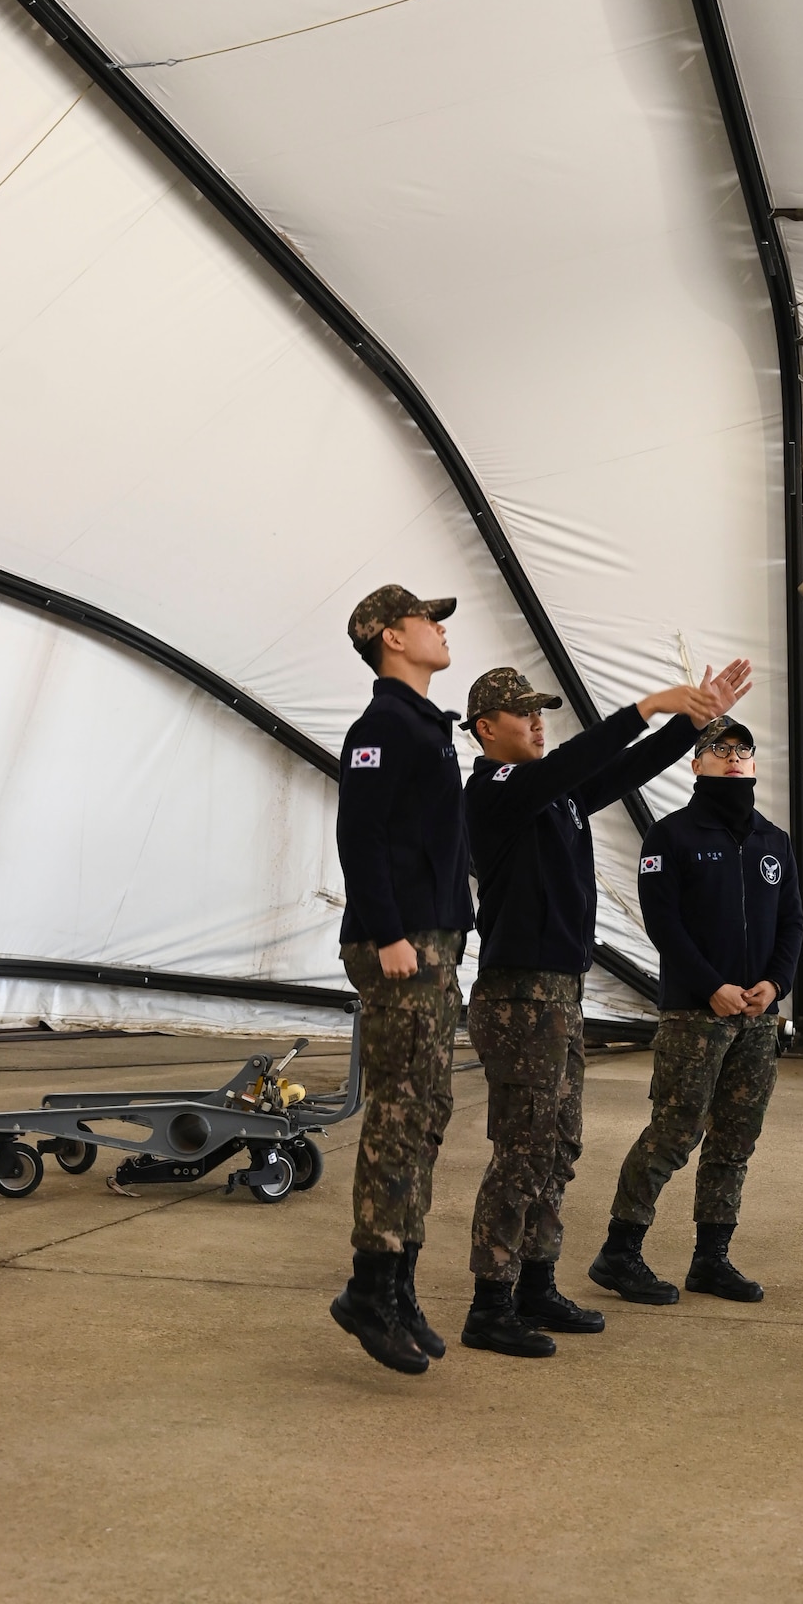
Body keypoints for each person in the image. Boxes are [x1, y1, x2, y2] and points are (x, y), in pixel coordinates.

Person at [460, 659, 752, 1358]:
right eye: (522, 713)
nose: (537, 722)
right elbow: (577, 761)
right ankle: (489, 1304)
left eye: (541, 711)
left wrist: (693, 723)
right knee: (522, 1151)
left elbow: (621, 771)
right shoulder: (495, 790)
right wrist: (646, 707)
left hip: (559, 993)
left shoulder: (551, 794)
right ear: (485, 729)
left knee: (557, 1147)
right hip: (519, 996)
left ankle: (536, 1283)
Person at [588, 715, 803, 1307]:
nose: (733, 758)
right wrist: (710, 986)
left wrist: (775, 983)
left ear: (754, 764)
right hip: (694, 1014)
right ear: (697, 763)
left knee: (735, 1138)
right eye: (720, 749)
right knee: (674, 1132)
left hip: (756, 1018)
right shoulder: (671, 837)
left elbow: (791, 921)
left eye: (743, 750)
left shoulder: (774, 841)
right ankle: (619, 1251)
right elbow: (663, 924)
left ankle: (712, 1259)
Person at [328, 584, 473, 1377]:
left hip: (430, 941)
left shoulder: (424, 726)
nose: (441, 631)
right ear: (390, 636)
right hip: (400, 943)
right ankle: (368, 1288)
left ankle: (400, 1283)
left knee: (424, 1113)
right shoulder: (382, 726)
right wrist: (387, 932)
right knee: (398, 1114)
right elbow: (360, 833)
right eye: (428, 620)